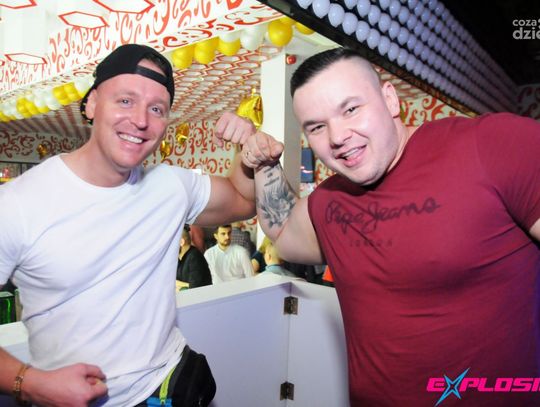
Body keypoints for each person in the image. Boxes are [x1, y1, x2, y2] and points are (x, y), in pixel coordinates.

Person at [241, 47, 540, 406]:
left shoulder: (494, 144)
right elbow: (283, 233)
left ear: (390, 99)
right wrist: (264, 163)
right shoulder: (330, 201)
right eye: (317, 127)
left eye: (351, 109)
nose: (337, 136)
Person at [0, 43, 268, 406]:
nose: (141, 120)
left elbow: (242, 198)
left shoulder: (171, 185)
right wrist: (30, 383)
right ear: (92, 103)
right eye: (125, 100)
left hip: (168, 386)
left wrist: (245, 147)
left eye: (156, 109)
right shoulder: (17, 203)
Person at [176, 225, 212, 289]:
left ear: (181, 242)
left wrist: (178, 283)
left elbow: (194, 286)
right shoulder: (179, 257)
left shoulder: (195, 257)